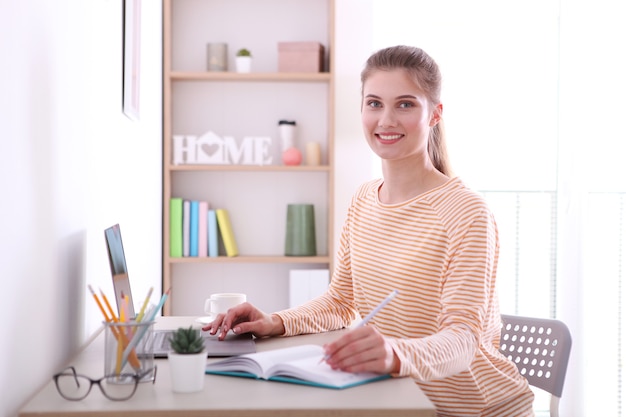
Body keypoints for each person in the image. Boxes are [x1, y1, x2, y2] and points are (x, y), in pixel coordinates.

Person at [203, 45, 535, 416]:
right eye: (374, 103)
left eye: (405, 105)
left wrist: (394, 353)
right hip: (400, 400)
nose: (386, 120)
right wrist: (275, 321)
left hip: (474, 409)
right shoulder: (363, 199)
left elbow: (463, 340)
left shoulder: (467, 213)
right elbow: (342, 302)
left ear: (435, 115)